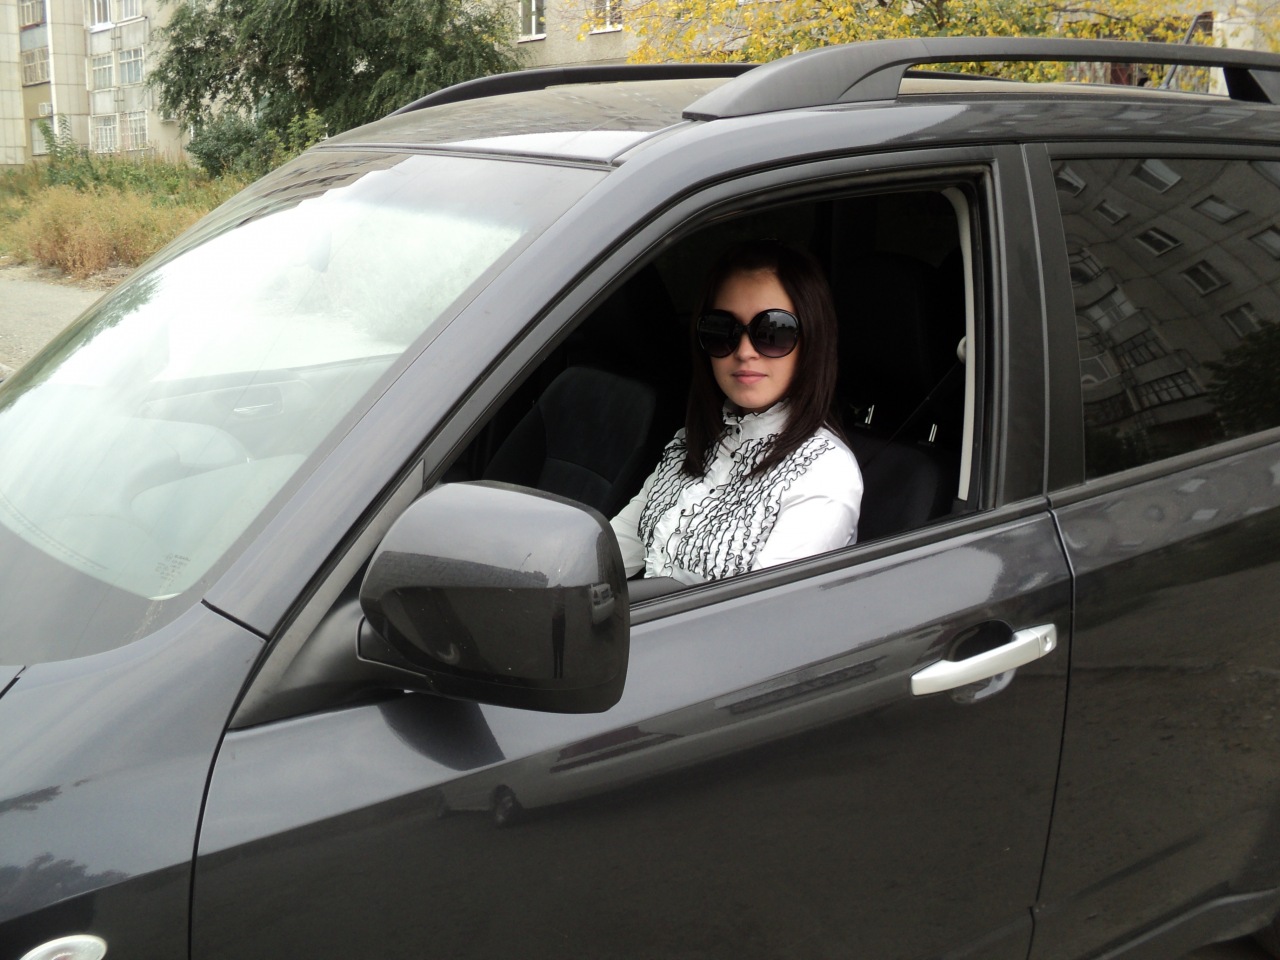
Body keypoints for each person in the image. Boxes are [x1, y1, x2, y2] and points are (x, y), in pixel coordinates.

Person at [611, 239, 863, 583]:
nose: (744, 351)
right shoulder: (692, 441)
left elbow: (761, 609)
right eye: (721, 330)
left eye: (774, 331)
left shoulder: (823, 471)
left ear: (812, 340)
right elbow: (608, 555)